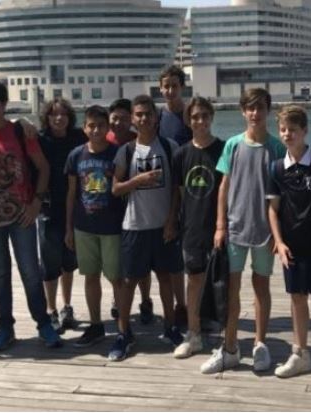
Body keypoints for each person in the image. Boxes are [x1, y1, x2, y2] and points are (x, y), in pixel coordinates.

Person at [0, 80, 62, 351]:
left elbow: (43, 168)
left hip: (22, 215)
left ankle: (43, 323)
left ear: (4, 104)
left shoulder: (21, 132)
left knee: (30, 271)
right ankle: (5, 327)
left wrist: (36, 203)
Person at [201, 88, 285, 374]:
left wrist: (279, 234)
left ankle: (260, 344)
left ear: (268, 111)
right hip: (235, 228)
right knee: (231, 289)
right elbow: (223, 187)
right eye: (250, 108)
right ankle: (230, 347)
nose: (255, 113)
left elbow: (282, 195)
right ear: (242, 111)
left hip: (265, 231)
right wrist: (220, 225)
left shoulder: (277, 148)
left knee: (261, 287)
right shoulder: (233, 145)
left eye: (260, 108)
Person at [265, 105, 311, 381]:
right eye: (283, 130)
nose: (287, 134)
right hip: (292, 246)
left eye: (293, 130)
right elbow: (273, 209)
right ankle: (300, 353)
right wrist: (279, 241)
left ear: (305, 131)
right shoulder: (276, 167)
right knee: (297, 297)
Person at [108, 95, 184, 361]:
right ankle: (124, 333)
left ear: (156, 117)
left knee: (165, 277)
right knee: (129, 281)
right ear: (132, 118)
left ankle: (171, 327)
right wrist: (138, 180)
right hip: (134, 226)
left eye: (148, 114)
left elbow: (176, 188)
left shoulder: (170, 146)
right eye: (138, 114)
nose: (143, 119)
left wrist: (171, 220)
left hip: (162, 226)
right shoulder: (126, 151)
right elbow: (115, 189)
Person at [64, 106, 127, 348]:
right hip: (84, 226)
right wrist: (69, 228)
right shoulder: (76, 155)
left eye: (101, 125)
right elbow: (72, 193)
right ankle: (95, 325)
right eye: (91, 125)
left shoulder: (117, 153)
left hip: (112, 226)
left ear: (108, 128)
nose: (96, 130)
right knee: (90, 276)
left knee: (116, 278)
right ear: (84, 128)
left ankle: (123, 328)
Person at [170, 96, 225, 358]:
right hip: (192, 227)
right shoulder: (181, 154)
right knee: (194, 280)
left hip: (220, 226)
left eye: (204, 115)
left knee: (222, 282)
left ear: (211, 117)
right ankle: (194, 334)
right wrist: (172, 222)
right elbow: (178, 193)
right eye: (194, 117)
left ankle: (227, 335)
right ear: (188, 120)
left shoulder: (224, 149)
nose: (200, 121)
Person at [37, 97, 87, 333]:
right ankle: (51, 309)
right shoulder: (40, 139)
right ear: (46, 117)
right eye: (54, 114)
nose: (59, 118)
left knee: (69, 260)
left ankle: (67, 306)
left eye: (63, 114)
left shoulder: (78, 138)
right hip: (48, 208)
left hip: (74, 207)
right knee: (49, 262)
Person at [106, 98, 156, 324]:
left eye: (124, 119)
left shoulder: (137, 142)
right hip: (110, 209)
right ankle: (117, 299)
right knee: (117, 260)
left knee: (141, 262)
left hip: (137, 208)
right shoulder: (102, 138)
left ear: (132, 120)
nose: (119, 123)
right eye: (115, 118)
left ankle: (145, 300)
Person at [158, 65, 193, 329]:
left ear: (182, 87)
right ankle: (179, 306)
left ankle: (195, 306)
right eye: (166, 86)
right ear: (160, 89)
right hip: (165, 191)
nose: (170, 90)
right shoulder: (157, 117)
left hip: (190, 191)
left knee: (192, 255)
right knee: (171, 255)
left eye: (174, 86)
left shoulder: (191, 115)